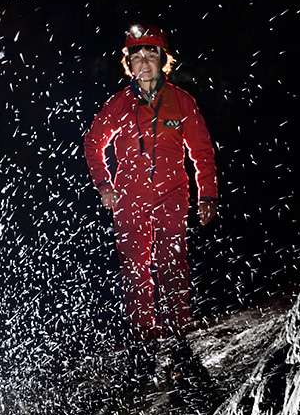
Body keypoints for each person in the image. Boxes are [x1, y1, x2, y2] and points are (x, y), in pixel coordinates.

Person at [83, 25, 217, 343]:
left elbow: (201, 151)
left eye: (151, 54)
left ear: (163, 60)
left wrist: (207, 194)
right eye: (137, 56)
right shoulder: (118, 104)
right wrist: (104, 185)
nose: (144, 62)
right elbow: (92, 142)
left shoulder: (182, 102)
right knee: (135, 266)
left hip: (172, 193)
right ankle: (144, 333)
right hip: (129, 196)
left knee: (173, 257)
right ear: (128, 63)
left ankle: (177, 329)